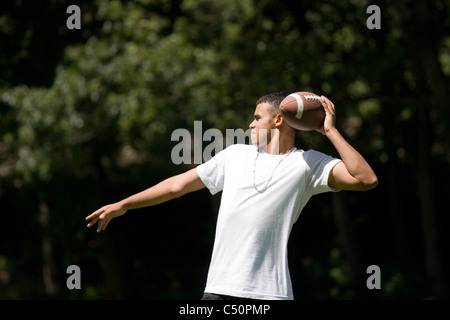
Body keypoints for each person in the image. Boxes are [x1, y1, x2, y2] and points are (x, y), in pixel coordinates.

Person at [86, 92, 378, 300]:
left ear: (279, 120)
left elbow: (365, 179)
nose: (250, 124)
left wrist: (330, 131)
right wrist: (123, 204)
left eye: (256, 117)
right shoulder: (235, 155)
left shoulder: (307, 163)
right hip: (219, 290)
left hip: (270, 294)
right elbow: (177, 186)